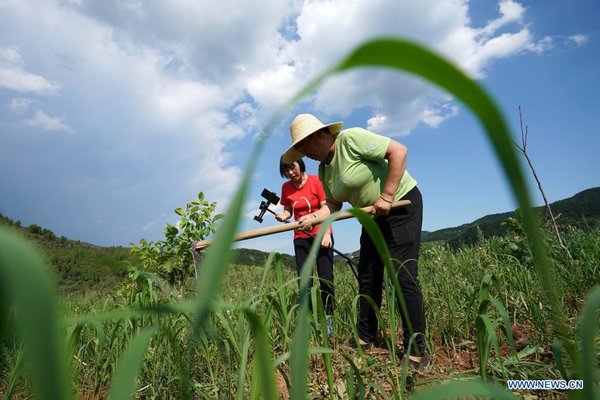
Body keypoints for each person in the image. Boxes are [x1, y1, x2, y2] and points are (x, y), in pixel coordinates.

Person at [282, 113, 428, 370]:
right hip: (371, 216)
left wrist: (387, 195)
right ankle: (366, 335)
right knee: (368, 276)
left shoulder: (350, 139)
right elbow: (333, 203)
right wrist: (313, 218)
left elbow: (398, 151)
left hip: (400, 206)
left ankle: (416, 351)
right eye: (301, 152)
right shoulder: (323, 168)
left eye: (306, 148)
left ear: (320, 136)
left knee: (401, 274)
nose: (307, 156)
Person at [275, 156, 335, 340]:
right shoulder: (286, 188)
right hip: (301, 237)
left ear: (299, 164)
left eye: (292, 167)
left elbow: (328, 209)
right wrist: (283, 216)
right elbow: (288, 210)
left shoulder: (316, 181)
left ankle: (330, 323)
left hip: (321, 233)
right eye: (286, 170)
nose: (290, 173)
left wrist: (326, 234)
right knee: (305, 281)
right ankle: (309, 323)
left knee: (326, 279)